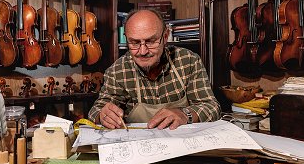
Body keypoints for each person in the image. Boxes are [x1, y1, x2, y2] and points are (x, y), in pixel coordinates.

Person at [88, 9, 221, 130]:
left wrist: (185, 114)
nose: (143, 51)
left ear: (165, 37)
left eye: (150, 41)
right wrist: (103, 115)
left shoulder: (188, 60)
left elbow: (212, 107)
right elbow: (96, 110)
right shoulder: (117, 71)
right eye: (134, 43)